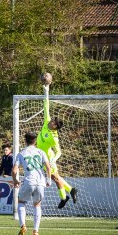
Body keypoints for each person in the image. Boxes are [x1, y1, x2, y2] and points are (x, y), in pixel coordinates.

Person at [36, 80, 77, 209]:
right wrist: (46, 90)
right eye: (52, 119)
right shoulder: (46, 121)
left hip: (48, 158)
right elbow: (46, 104)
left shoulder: (54, 138)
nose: (51, 121)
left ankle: (66, 196)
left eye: (53, 122)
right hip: (42, 156)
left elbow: (59, 152)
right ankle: (69, 192)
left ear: (55, 127)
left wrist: (52, 161)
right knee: (56, 177)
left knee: (55, 178)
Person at [12, 132, 51, 235]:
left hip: (29, 181)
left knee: (21, 202)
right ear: (35, 141)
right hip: (40, 181)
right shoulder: (41, 151)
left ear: (25, 141)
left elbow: (14, 170)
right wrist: (49, 179)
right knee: (37, 204)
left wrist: (15, 181)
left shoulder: (21, 153)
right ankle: (35, 231)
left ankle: (23, 225)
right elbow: (48, 166)